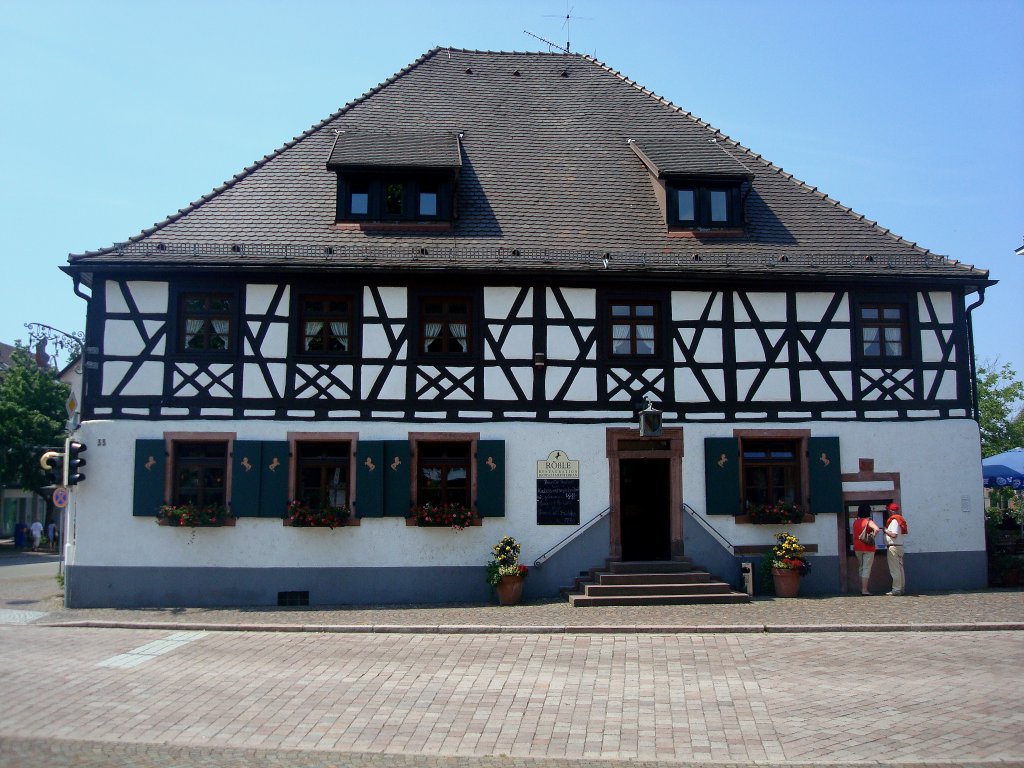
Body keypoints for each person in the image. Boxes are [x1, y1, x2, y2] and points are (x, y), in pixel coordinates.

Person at [852, 504, 880, 595]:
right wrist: (872, 537)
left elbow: (853, 535)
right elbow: (877, 529)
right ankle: (865, 590)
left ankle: (862, 588)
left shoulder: (855, 522)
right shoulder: (868, 521)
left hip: (857, 546)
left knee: (861, 567)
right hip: (868, 547)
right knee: (866, 568)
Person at [884, 502, 909, 595]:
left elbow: (894, 535)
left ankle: (896, 589)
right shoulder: (899, 520)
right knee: (900, 568)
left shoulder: (894, 521)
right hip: (899, 546)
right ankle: (901, 587)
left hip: (893, 547)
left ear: (891, 510)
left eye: (888, 510)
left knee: (895, 569)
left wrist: (886, 530)